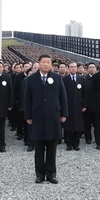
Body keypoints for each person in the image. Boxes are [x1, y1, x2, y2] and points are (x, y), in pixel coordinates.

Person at [22, 54, 68, 184]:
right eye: (44, 62)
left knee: (52, 148)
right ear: (39, 63)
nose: (46, 64)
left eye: (48, 62)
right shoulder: (31, 79)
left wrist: (64, 114)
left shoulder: (57, 78)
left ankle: (51, 174)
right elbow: (27, 99)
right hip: (37, 117)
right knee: (39, 148)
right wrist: (28, 116)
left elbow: (63, 97)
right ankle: (40, 175)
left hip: (53, 117)